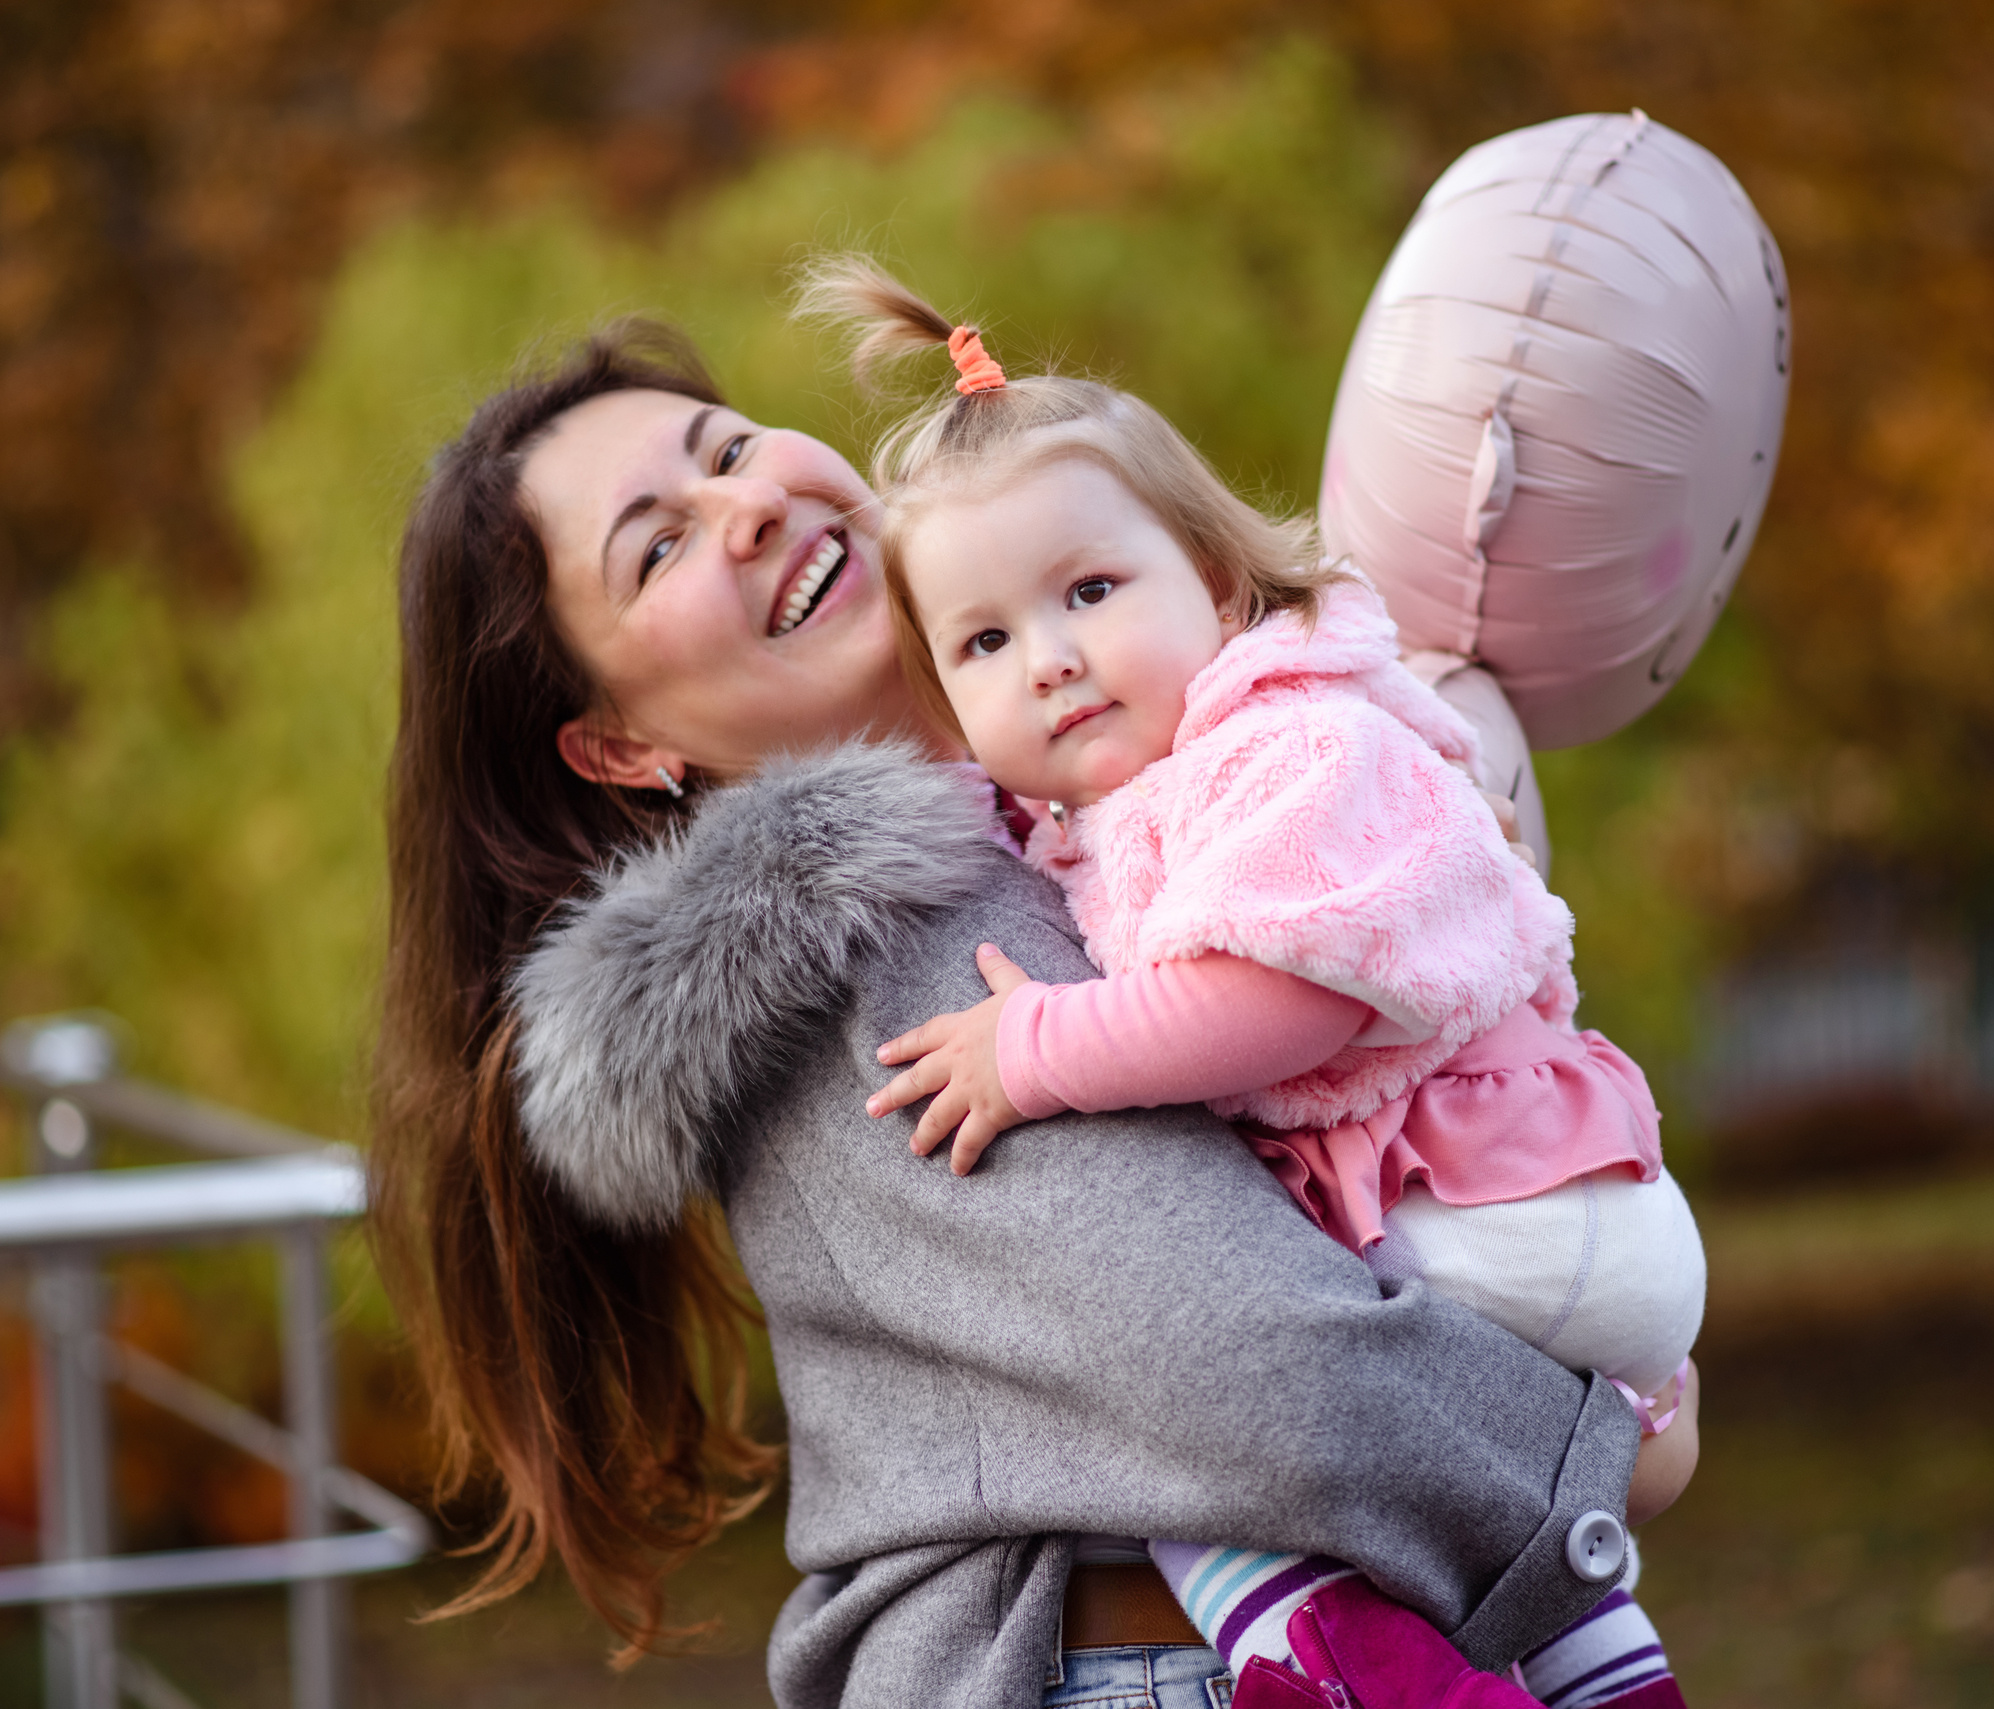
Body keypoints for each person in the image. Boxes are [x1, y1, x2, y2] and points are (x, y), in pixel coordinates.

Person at [368, 310, 1698, 1709]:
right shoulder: (871, 949)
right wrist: (1594, 1455)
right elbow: (1258, 1367)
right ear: (626, 745)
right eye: (658, 544)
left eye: (733, 449)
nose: (748, 507)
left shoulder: (1084, 815)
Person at [817, 262, 1705, 1709]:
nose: (1048, 660)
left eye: (1090, 591)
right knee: (1432, 1500)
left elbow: (1280, 1001)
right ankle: (1607, 1672)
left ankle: (1324, 1650)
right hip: (1501, 1214)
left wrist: (1034, 1048)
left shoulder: (1291, 745)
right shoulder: (1136, 792)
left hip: (1489, 1196)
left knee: (1157, 1392)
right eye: (983, 640)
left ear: (1217, 581)